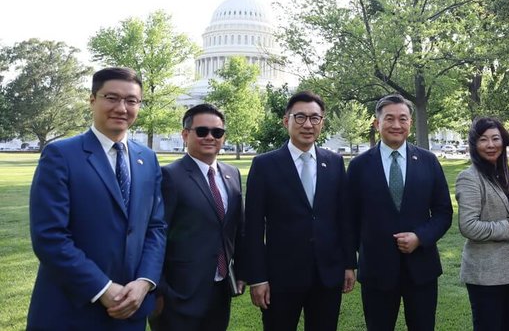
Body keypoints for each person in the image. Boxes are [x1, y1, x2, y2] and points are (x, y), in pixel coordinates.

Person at [27, 67, 167, 330]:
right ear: (92, 100)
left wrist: (145, 282)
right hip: (71, 311)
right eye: (111, 98)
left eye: (131, 100)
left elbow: (155, 227)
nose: (121, 108)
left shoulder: (147, 159)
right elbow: (49, 236)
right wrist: (102, 288)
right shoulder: (60, 155)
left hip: (131, 309)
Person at [245, 91, 355, 331]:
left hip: (327, 275)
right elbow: (253, 226)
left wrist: (349, 264)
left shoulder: (334, 163)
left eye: (315, 118)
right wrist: (258, 278)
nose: (308, 124)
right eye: (300, 117)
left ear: (322, 122)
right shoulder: (264, 165)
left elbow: (343, 218)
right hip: (280, 277)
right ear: (286, 121)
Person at [347, 93, 453, 331]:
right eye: (390, 118)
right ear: (377, 123)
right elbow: (349, 219)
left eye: (403, 119)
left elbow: (443, 212)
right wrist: (351, 260)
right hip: (376, 270)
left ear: (410, 123)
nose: (397, 125)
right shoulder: (358, 166)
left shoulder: (428, 161)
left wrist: (420, 237)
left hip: (421, 268)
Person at [149, 104, 245, 331]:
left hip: (220, 290)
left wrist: (242, 272)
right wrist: (159, 290)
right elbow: (155, 235)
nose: (210, 137)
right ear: (185, 135)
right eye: (202, 131)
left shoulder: (231, 174)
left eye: (217, 132)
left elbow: (238, 229)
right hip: (178, 295)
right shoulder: (169, 176)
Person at [455, 117, 509, 331]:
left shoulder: (505, 176)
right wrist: (508, 229)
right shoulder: (469, 178)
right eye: (483, 139)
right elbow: (468, 226)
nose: (490, 144)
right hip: (485, 276)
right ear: (474, 145)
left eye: (495, 138)